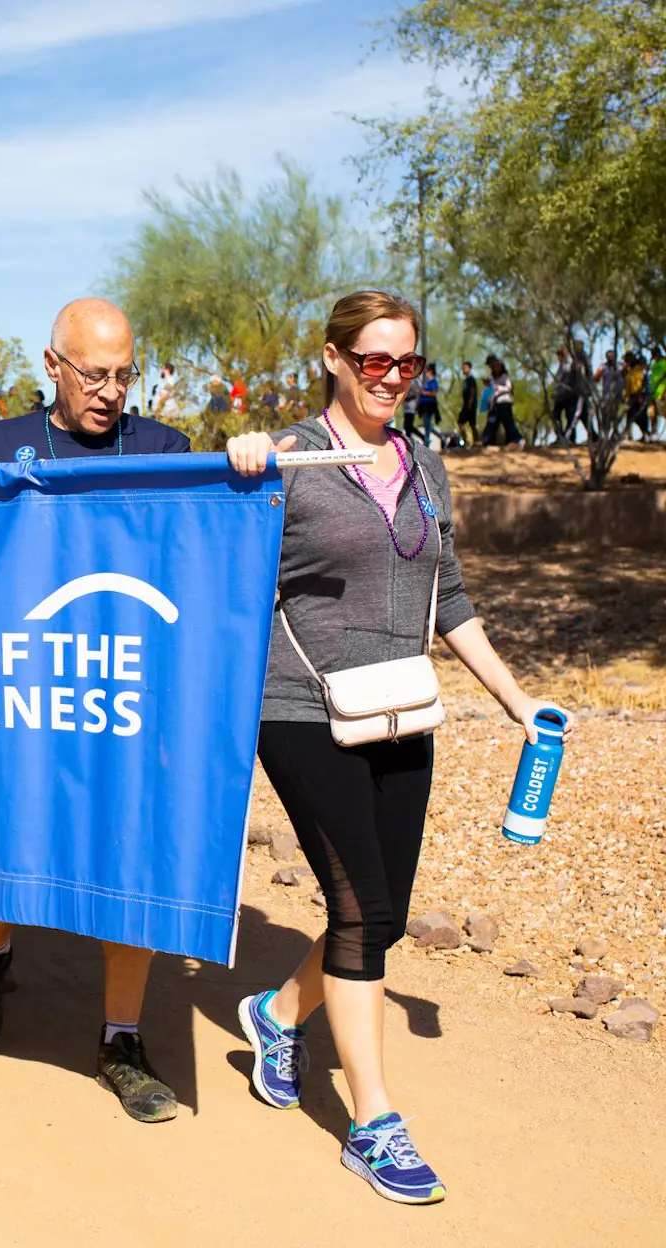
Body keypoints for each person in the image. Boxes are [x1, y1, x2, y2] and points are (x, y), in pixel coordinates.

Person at [225, 289, 570, 1205]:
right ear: (334, 358)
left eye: (407, 364)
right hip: (300, 706)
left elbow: (447, 595)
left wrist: (516, 701)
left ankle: (273, 1015)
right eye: (373, 360)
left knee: (376, 915)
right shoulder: (289, 458)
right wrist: (241, 469)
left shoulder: (424, 462)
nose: (391, 378)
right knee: (361, 906)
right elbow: (217, 570)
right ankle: (374, 1123)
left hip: (399, 708)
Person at [0, 298, 193, 1124]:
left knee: (130, 860)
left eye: (122, 374)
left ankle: (121, 1040)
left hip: (128, 693)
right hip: (24, 693)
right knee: (13, 842)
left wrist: (247, 461)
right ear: (52, 367)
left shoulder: (166, 451)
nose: (109, 391)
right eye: (93, 373)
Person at [481, 356, 521, 447]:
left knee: (508, 422)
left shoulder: (505, 377)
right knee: (492, 423)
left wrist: (498, 388)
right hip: (495, 404)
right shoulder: (492, 378)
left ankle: (516, 440)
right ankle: (487, 442)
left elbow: (509, 388)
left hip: (504, 402)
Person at [415, 362, 440, 443]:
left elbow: (433, 393)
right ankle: (441, 437)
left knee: (427, 425)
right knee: (427, 425)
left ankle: (427, 442)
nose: (425, 373)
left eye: (427, 371)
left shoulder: (433, 381)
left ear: (431, 372)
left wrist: (424, 392)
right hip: (424, 407)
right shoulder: (426, 382)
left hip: (429, 406)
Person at [456, 361, 479, 448]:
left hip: (470, 406)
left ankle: (476, 442)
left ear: (470, 368)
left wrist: (470, 404)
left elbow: (472, 392)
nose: (464, 369)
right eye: (463, 367)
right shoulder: (465, 380)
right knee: (460, 423)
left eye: (465, 367)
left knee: (472, 424)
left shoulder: (471, 379)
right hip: (465, 405)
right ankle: (465, 442)